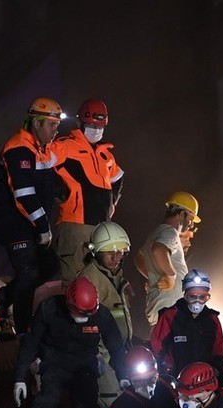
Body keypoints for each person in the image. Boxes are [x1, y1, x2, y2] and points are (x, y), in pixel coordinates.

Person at [13, 276, 124, 408]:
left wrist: (124, 375)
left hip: (84, 365)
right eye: (80, 313)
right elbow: (30, 343)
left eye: (89, 314)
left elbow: (116, 348)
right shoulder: (49, 309)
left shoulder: (101, 315)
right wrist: (20, 377)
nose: (84, 318)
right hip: (54, 362)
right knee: (47, 400)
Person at [0, 98, 66, 334]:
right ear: (36, 123)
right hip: (16, 225)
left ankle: (3, 299)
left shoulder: (38, 149)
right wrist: (43, 227)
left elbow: (50, 183)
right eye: (52, 124)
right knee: (28, 274)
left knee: (48, 266)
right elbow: (23, 196)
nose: (56, 130)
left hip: (30, 225)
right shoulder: (18, 148)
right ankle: (23, 331)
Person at [52, 99, 124, 286]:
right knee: (76, 284)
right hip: (74, 226)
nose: (97, 129)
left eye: (100, 125)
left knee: (102, 283)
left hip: (102, 228)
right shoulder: (65, 146)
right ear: (81, 122)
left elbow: (118, 177)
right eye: (92, 125)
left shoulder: (105, 154)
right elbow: (42, 166)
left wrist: (112, 204)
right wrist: (62, 193)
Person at [78, 221, 133, 408]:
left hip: (119, 353)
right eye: (110, 251)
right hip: (103, 356)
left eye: (121, 251)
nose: (117, 257)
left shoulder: (114, 275)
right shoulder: (90, 280)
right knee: (112, 404)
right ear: (96, 252)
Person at [135, 192, 199, 328]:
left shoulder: (155, 233)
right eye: (191, 218)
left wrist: (151, 277)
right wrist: (171, 275)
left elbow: (138, 258)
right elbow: (159, 250)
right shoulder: (170, 232)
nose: (191, 224)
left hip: (162, 312)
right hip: (171, 313)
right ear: (181, 214)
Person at [150, 269, 223, 384]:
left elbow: (218, 352)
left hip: (203, 381)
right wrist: (164, 375)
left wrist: (218, 379)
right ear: (185, 295)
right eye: (192, 296)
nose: (197, 301)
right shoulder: (170, 316)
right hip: (175, 379)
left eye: (202, 297)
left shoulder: (212, 319)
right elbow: (157, 347)